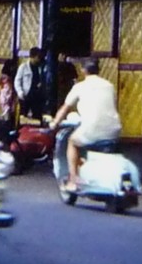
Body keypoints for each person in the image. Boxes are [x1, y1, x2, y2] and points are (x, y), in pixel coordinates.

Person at [49, 56, 122, 191]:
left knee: (72, 141)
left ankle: (73, 180)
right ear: (99, 69)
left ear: (83, 70)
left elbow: (65, 108)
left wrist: (54, 123)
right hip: (114, 130)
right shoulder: (109, 86)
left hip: (92, 129)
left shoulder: (80, 87)